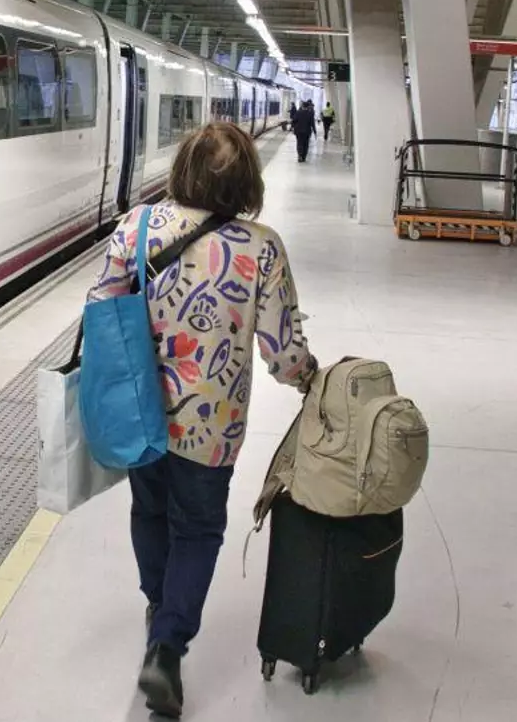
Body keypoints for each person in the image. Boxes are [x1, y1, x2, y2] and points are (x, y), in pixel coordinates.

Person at [85, 123, 319, 718]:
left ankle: (157, 605)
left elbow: (100, 306)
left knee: (150, 511)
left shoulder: (137, 227)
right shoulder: (262, 248)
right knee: (197, 529)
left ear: (182, 168)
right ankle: (167, 645)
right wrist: (308, 377)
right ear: (247, 181)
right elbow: (281, 352)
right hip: (212, 429)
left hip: (141, 410)